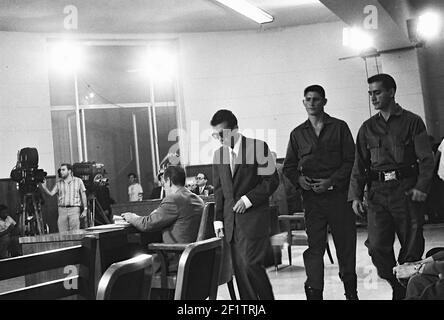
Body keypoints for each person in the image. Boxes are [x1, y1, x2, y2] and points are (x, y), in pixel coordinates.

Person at [348, 73, 435, 300]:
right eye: (370, 94)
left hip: (406, 191)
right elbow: (359, 164)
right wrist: (356, 195)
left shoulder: (412, 121)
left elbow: (427, 159)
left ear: (391, 92)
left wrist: (422, 187)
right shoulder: (367, 128)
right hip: (378, 194)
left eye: (377, 92)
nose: (373, 98)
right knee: (376, 246)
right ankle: (395, 282)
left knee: (412, 246)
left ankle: (406, 289)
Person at [283, 85, 358, 300]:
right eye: (308, 99)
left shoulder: (340, 127)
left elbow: (351, 161)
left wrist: (331, 182)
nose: (312, 103)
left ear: (324, 101)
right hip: (312, 201)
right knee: (314, 249)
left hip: (338, 197)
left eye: (316, 99)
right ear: (303, 102)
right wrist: (299, 181)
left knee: (345, 246)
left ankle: (351, 293)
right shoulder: (297, 134)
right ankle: (314, 294)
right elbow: (289, 167)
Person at [211, 109, 279, 300]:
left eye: (223, 134)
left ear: (235, 129)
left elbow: (272, 181)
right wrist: (218, 221)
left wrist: (248, 200)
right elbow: (219, 191)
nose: (219, 138)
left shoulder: (258, 148)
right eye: (216, 134)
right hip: (231, 224)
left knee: (251, 265)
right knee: (240, 272)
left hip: (253, 221)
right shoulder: (218, 155)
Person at [121, 165, 204, 273]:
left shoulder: (173, 199)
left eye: (163, 183)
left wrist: (132, 217)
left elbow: (147, 224)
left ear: (168, 181)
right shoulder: (198, 199)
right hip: (194, 257)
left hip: (176, 259)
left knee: (134, 264)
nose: (163, 186)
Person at [40, 163, 87, 232]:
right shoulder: (59, 183)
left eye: (63, 170)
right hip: (62, 210)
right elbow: (51, 194)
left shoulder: (78, 181)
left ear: (69, 171)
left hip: (74, 209)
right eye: (61, 170)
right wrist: (44, 188)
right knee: (62, 233)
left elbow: (83, 195)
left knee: (75, 232)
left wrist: (85, 209)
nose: (61, 171)